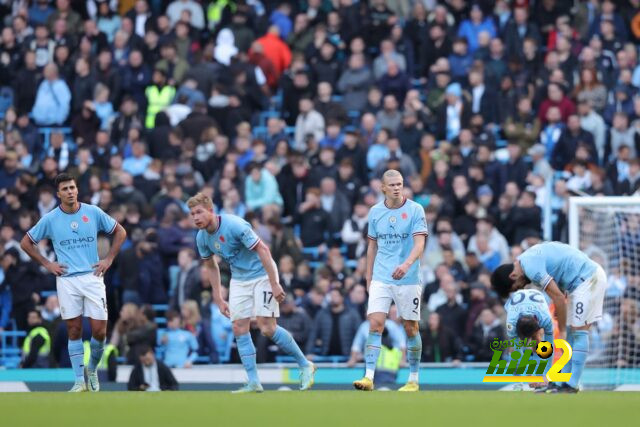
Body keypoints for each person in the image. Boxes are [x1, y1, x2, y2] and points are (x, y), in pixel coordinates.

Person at [188, 192, 315, 393]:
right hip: (239, 279)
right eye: (192, 213)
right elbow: (211, 266)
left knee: (267, 328)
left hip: (262, 274)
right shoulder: (202, 238)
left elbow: (263, 250)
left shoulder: (235, 225)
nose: (195, 217)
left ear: (211, 211)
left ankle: (305, 364)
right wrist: (218, 297)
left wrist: (274, 283)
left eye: (199, 212)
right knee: (239, 327)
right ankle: (254, 381)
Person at [20, 173, 127, 392]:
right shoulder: (50, 219)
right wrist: (48, 264)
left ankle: (93, 369)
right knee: (74, 329)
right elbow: (26, 243)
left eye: (72, 187)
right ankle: (79, 380)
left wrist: (109, 259)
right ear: (58, 194)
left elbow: (120, 232)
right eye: (65, 189)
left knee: (99, 332)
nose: (70, 192)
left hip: (92, 277)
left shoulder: (93, 212)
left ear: (77, 189)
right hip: (67, 280)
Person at [491, 242, 607, 393]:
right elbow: (560, 269)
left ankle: (572, 384)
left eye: (517, 287)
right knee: (574, 333)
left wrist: (562, 330)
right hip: (576, 285)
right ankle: (562, 381)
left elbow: (558, 297)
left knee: (577, 332)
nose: (522, 288)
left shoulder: (531, 268)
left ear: (513, 275)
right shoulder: (526, 260)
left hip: (588, 279)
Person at [353, 169, 428, 392]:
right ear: (383, 188)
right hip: (381, 276)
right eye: (392, 185)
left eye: (400, 184)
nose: (397, 187)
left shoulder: (415, 209)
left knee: (410, 328)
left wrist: (406, 265)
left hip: (409, 278)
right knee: (375, 324)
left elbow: (420, 244)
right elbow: (372, 246)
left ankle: (413, 379)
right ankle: (368, 376)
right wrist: (368, 277)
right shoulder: (375, 212)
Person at [504, 288, 555, 389]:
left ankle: (540, 375)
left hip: (538, 302)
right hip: (514, 303)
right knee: (515, 347)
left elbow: (549, 348)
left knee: (538, 343)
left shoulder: (545, 319)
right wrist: (529, 376)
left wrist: (546, 375)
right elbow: (517, 351)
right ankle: (517, 381)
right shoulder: (511, 322)